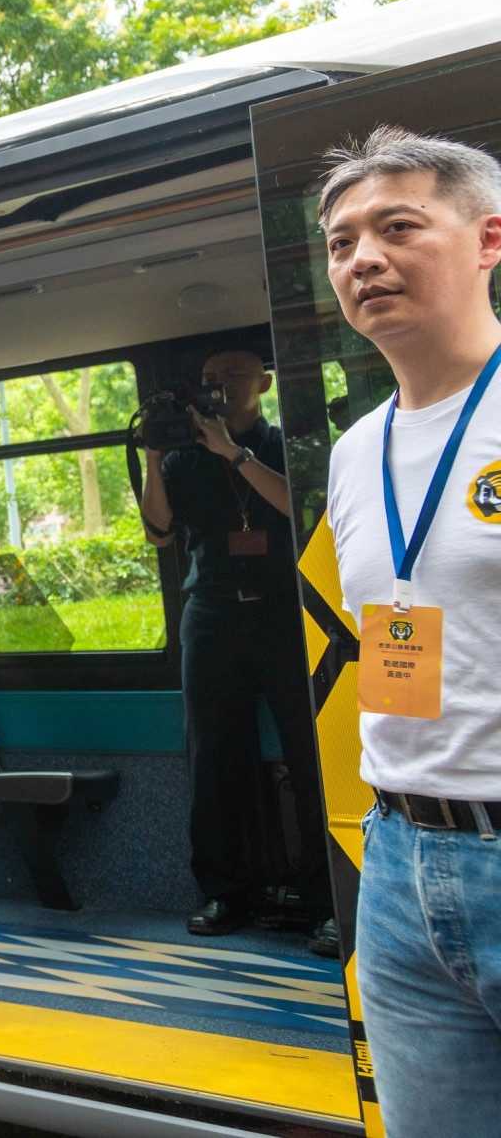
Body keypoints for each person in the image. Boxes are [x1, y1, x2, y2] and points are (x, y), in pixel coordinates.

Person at [317, 126, 501, 1133]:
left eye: (395, 227)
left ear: (486, 239)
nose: (360, 260)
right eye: (339, 243)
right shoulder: (352, 453)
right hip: (395, 864)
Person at [140, 349, 335, 954]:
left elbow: (304, 511)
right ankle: (224, 891)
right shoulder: (182, 457)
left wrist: (235, 453)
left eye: (232, 374)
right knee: (213, 756)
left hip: (286, 613)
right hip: (212, 614)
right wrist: (152, 455)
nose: (218, 384)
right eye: (209, 377)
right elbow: (158, 531)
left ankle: (328, 900)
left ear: (266, 382)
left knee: (311, 756)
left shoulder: (290, 445)